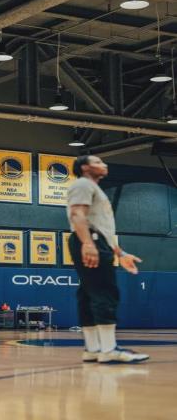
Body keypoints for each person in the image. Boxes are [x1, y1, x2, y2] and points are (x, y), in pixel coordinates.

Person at [67, 155, 149, 364]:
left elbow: (102, 227)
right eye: (97, 162)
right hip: (90, 239)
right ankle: (109, 349)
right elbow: (77, 214)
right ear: (85, 167)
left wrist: (120, 254)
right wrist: (88, 243)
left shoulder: (93, 188)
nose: (104, 165)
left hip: (95, 239)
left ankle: (93, 349)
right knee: (105, 292)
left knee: (88, 293)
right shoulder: (83, 184)